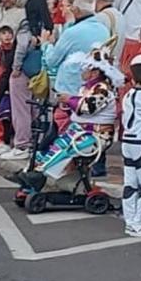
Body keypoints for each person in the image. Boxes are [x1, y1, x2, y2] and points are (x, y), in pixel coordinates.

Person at [32, 42, 121, 179]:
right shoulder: (87, 88)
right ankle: (32, 175)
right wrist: (66, 104)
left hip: (95, 134)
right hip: (79, 130)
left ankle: (37, 176)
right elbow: (78, 107)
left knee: (61, 154)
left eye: (85, 69)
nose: (82, 72)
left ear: (95, 72)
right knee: (50, 150)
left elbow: (88, 108)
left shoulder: (102, 89)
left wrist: (69, 100)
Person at [4, 0, 61, 161]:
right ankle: (36, 142)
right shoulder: (52, 28)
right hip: (42, 72)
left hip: (24, 71)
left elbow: (21, 47)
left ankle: (22, 143)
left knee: (21, 108)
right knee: (37, 108)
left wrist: (15, 68)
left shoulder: (28, 25)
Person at [44, 0, 110, 97]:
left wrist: (47, 44)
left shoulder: (71, 32)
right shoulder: (104, 30)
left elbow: (52, 61)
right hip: (94, 87)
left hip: (70, 89)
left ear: (76, 10)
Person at [122, 54, 141, 236]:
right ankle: (140, 223)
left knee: (130, 184)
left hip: (128, 141)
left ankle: (130, 221)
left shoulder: (129, 94)